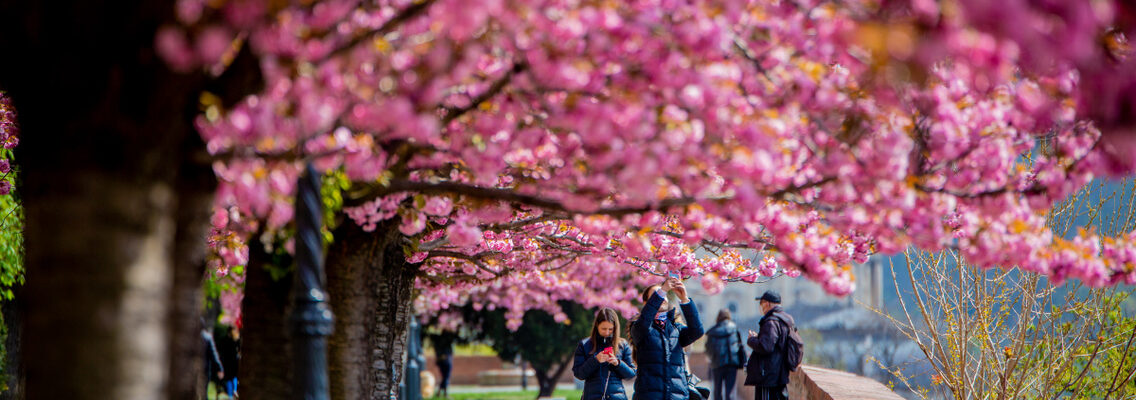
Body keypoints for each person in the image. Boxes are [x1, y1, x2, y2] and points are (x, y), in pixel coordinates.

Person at [629, 277, 704, 400]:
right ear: (646, 303)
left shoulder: (676, 328)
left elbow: (697, 331)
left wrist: (685, 299)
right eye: (657, 295)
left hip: (677, 396)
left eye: (664, 295)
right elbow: (643, 324)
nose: (662, 298)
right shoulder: (639, 328)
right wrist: (663, 290)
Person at [572, 308, 637, 400]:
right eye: (603, 329)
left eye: (610, 329)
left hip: (617, 397)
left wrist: (618, 363)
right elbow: (579, 374)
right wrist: (595, 360)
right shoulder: (585, 345)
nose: (607, 332)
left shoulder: (622, 345)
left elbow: (631, 374)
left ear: (615, 328)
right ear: (597, 325)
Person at [744, 291, 795, 400]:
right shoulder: (786, 319)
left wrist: (751, 340)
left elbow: (765, 347)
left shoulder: (771, 322)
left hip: (768, 376)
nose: (761, 307)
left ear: (767, 304)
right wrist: (759, 337)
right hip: (780, 374)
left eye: (761, 303)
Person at [705, 309, 744, 400]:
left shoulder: (712, 331)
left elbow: (708, 349)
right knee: (730, 391)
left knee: (717, 390)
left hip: (717, 363)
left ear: (718, 317)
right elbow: (740, 346)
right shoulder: (734, 328)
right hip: (732, 363)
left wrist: (712, 358)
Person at [215, 322, 241, 399]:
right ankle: (234, 391)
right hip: (232, 362)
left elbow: (220, 352)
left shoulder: (224, 340)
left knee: (230, 378)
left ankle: (231, 395)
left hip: (228, 363)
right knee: (233, 377)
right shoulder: (235, 341)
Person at [201, 319, 224, 400]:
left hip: (192, 370)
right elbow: (214, 355)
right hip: (205, 370)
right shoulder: (208, 338)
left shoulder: (190, 338)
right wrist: (219, 368)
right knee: (204, 392)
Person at [432, 332, 455, 398]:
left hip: (443, 362)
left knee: (444, 377)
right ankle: (443, 393)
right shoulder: (446, 343)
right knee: (446, 377)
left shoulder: (439, 343)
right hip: (446, 362)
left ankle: (440, 392)